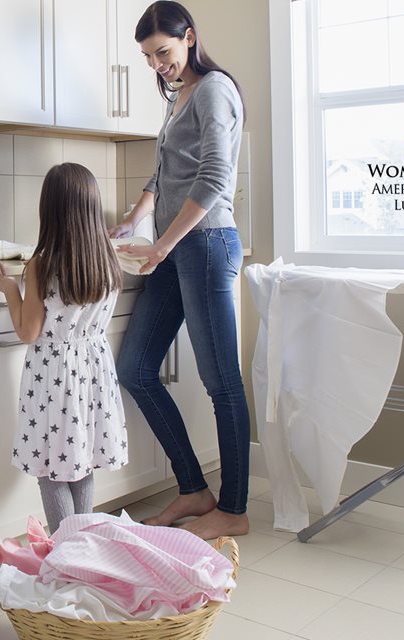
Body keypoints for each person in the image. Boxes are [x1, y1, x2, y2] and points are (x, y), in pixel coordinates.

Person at [111, 1, 250, 539]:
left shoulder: (214, 88)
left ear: (189, 38)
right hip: (173, 249)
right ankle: (194, 489)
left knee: (222, 384)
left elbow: (215, 177)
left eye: (162, 52)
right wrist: (132, 223)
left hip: (206, 244)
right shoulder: (180, 97)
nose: (156, 65)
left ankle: (233, 509)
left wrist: (163, 245)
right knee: (137, 368)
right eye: (148, 57)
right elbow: (163, 174)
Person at [0, 162, 128, 533]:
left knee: (51, 470)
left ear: (49, 210)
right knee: (81, 465)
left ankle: (69, 556)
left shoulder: (42, 266)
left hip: (53, 379)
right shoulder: (108, 260)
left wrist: (11, 290)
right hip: (92, 373)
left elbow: (28, 331)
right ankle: (85, 550)